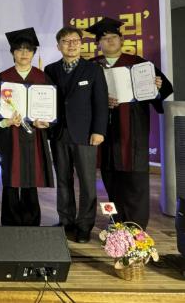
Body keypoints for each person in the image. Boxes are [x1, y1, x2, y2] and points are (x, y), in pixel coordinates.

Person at [87, 17, 173, 229]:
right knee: (109, 178)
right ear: (98, 43)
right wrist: (100, 100)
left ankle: (136, 226)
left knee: (135, 179)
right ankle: (116, 222)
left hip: (133, 130)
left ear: (121, 39)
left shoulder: (140, 64)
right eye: (104, 38)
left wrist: (157, 86)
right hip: (104, 130)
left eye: (113, 37)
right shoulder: (91, 66)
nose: (110, 41)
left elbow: (164, 90)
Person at [45, 26, 108, 243]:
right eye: (65, 41)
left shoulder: (93, 70)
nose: (71, 45)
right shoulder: (50, 70)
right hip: (58, 133)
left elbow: (100, 103)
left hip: (85, 134)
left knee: (87, 183)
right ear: (58, 46)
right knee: (63, 180)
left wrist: (99, 130)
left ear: (81, 44)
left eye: (75, 41)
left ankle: (84, 225)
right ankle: (66, 221)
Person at [0, 28, 55, 226]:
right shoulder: (2, 79)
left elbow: (53, 111)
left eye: (28, 49)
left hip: (35, 136)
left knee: (30, 178)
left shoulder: (43, 79)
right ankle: (10, 221)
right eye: (19, 49)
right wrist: (6, 122)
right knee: (11, 178)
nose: (24, 53)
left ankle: (31, 221)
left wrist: (46, 122)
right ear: (13, 53)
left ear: (33, 53)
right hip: (10, 137)